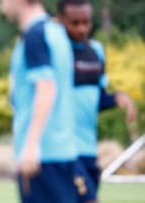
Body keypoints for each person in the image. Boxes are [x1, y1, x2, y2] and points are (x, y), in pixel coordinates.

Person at [57, 0, 137, 202]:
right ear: (61, 21)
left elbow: (97, 99)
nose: (82, 28)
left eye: (86, 22)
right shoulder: (56, 52)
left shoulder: (96, 51)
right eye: (74, 23)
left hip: (88, 149)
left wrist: (117, 98)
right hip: (64, 149)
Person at [0, 0, 78, 202]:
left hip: (42, 157)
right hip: (63, 152)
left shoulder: (35, 36)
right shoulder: (57, 32)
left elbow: (46, 87)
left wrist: (31, 144)